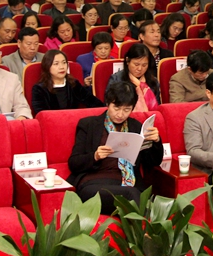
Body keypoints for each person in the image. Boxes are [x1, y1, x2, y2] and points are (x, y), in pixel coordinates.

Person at [67, 80, 162, 215]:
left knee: (138, 196)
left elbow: (152, 162)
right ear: (107, 103)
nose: (120, 114)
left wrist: (156, 141)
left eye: (126, 110)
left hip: (126, 182)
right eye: (116, 108)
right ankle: (146, 226)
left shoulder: (136, 127)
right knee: (131, 196)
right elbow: (74, 163)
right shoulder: (89, 125)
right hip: (94, 184)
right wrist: (95, 156)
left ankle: (140, 226)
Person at [32, 50, 103, 115]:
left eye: (64, 63)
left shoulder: (73, 84)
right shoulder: (39, 89)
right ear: (47, 66)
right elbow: (42, 115)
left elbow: (94, 102)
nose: (62, 67)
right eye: (56, 64)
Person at [106, 43, 161, 111]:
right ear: (127, 61)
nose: (140, 69)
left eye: (144, 65)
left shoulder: (153, 82)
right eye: (136, 64)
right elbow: (109, 106)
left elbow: (158, 108)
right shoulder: (116, 79)